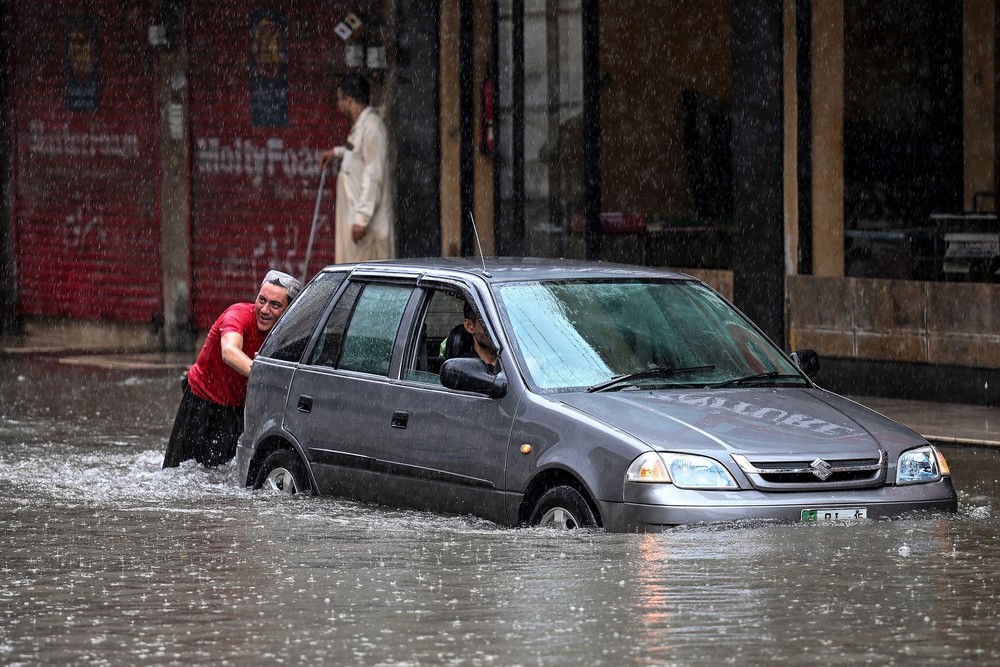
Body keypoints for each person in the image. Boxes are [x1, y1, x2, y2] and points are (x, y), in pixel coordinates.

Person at [162, 270, 302, 468]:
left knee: (221, 474)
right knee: (177, 472)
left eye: (275, 305)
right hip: (200, 402)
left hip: (236, 411)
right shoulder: (238, 315)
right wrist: (265, 375)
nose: (264, 309)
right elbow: (229, 351)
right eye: (262, 300)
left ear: (289, 310)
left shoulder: (289, 335)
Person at [320, 73, 394, 264]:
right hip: (357, 227)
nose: (339, 104)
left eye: (340, 99)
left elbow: (373, 174)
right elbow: (357, 154)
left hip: (367, 231)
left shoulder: (372, 127)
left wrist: (361, 219)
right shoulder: (362, 127)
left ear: (349, 99)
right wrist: (336, 153)